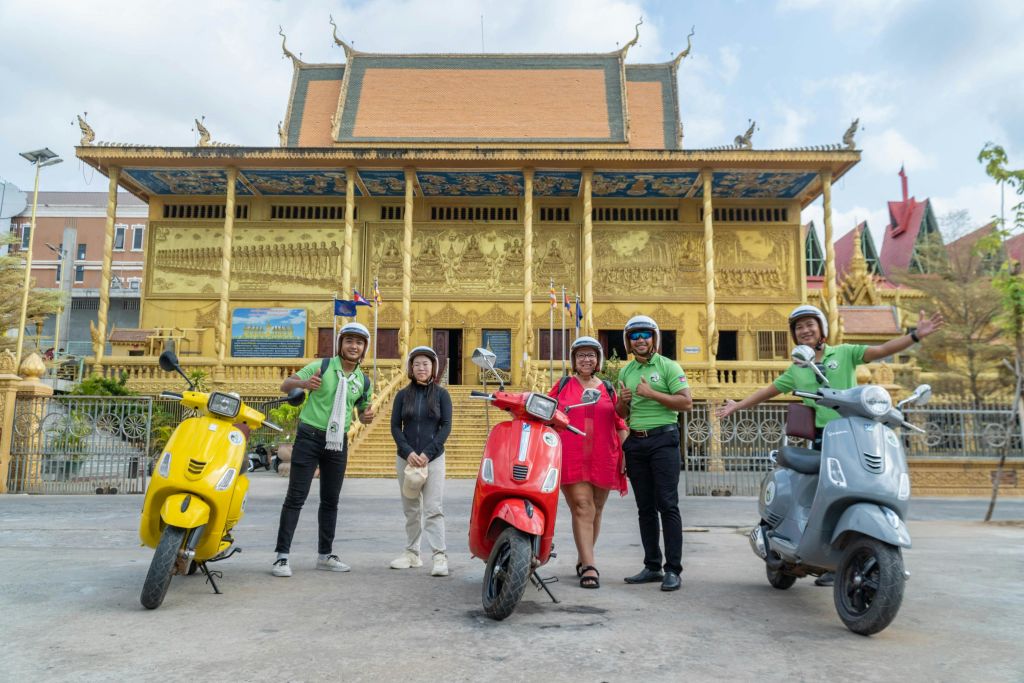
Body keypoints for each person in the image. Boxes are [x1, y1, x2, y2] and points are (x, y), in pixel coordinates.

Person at [716, 304, 944, 584]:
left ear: (822, 329)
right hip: (825, 437)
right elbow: (768, 390)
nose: (805, 330)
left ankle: (842, 556)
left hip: (856, 431)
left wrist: (915, 336)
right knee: (823, 493)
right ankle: (815, 548)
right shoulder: (797, 368)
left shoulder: (844, 353)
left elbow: (881, 351)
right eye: (799, 327)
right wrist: (737, 405)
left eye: (810, 325)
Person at [271, 322, 375, 577]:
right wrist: (305, 385)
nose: (354, 346)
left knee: (331, 500)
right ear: (340, 343)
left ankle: (325, 555)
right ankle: (281, 557)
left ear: (364, 348)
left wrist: (366, 417)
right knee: (296, 497)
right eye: (349, 341)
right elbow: (286, 384)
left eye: (359, 342)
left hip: (338, 441)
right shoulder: (323, 366)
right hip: (309, 436)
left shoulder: (363, 380)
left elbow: (362, 411)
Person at [615, 315, 692, 592]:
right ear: (629, 342)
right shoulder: (626, 372)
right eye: (634, 336)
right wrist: (622, 404)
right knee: (644, 509)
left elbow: (686, 402)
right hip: (636, 443)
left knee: (667, 505)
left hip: (663, 440)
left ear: (654, 338)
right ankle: (651, 566)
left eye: (645, 334)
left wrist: (651, 394)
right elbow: (622, 414)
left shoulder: (669, 366)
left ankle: (673, 570)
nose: (640, 340)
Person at [548, 336, 628, 589]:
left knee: (596, 509)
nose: (586, 359)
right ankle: (590, 567)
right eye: (581, 355)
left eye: (591, 355)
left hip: (605, 457)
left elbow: (620, 423)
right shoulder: (562, 386)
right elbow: (544, 413)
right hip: (571, 457)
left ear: (598, 360)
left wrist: (626, 454)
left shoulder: (608, 388)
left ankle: (584, 557)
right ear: (574, 359)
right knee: (583, 507)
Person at [389, 346, 453, 577]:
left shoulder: (442, 395)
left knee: (433, 508)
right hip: (406, 459)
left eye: (426, 364)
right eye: (416, 364)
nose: (421, 368)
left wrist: (427, 453)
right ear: (410, 368)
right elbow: (396, 426)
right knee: (411, 508)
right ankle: (412, 553)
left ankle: (439, 556)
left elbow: (445, 426)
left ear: (433, 367)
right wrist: (407, 452)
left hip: (433, 459)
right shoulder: (402, 395)